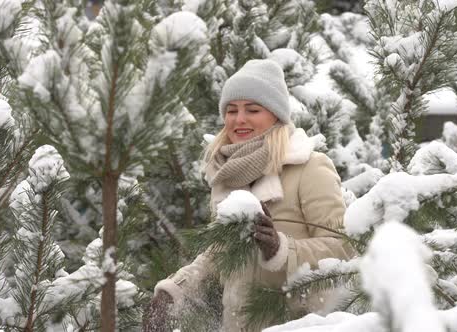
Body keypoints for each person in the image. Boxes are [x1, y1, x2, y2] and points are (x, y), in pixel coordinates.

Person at [143, 59, 355, 332]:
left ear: (276, 115)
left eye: (252, 109)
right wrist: (174, 292)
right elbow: (221, 254)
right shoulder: (227, 177)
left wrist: (280, 249)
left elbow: (342, 249)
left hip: (301, 324)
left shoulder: (310, 167)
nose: (239, 119)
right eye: (231, 111)